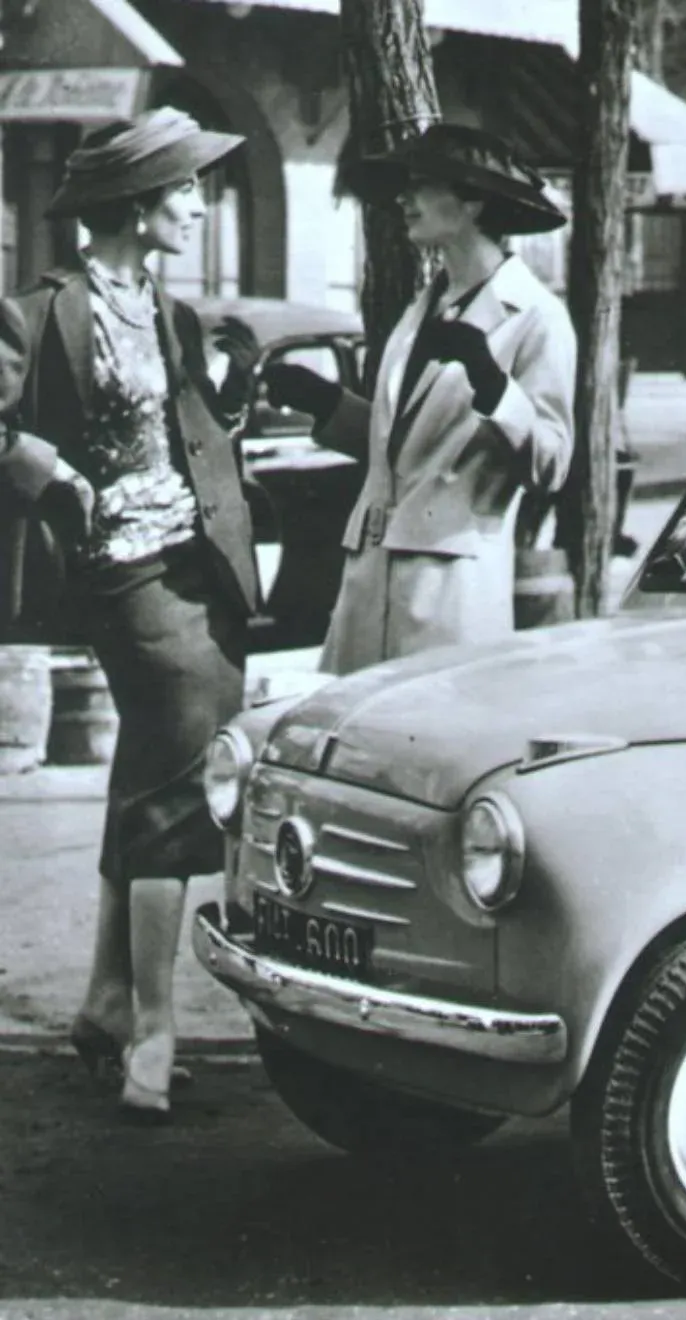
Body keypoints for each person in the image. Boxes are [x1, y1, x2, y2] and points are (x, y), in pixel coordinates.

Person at [0, 108, 261, 1122]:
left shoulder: (171, 311)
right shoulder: (43, 309)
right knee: (177, 794)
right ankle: (156, 1028)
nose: (199, 205)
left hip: (199, 570)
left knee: (152, 775)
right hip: (124, 578)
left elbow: (183, 438)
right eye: (186, 191)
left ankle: (109, 1003)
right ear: (141, 204)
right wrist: (47, 468)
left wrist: (230, 402)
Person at [263, 123, 576, 675]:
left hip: (451, 587)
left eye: (422, 184)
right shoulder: (423, 308)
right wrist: (327, 404)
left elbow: (551, 465)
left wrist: (492, 384)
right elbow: (406, 453)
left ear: (474, 201)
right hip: (369, 576)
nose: (404, 198)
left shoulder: (536, 317)